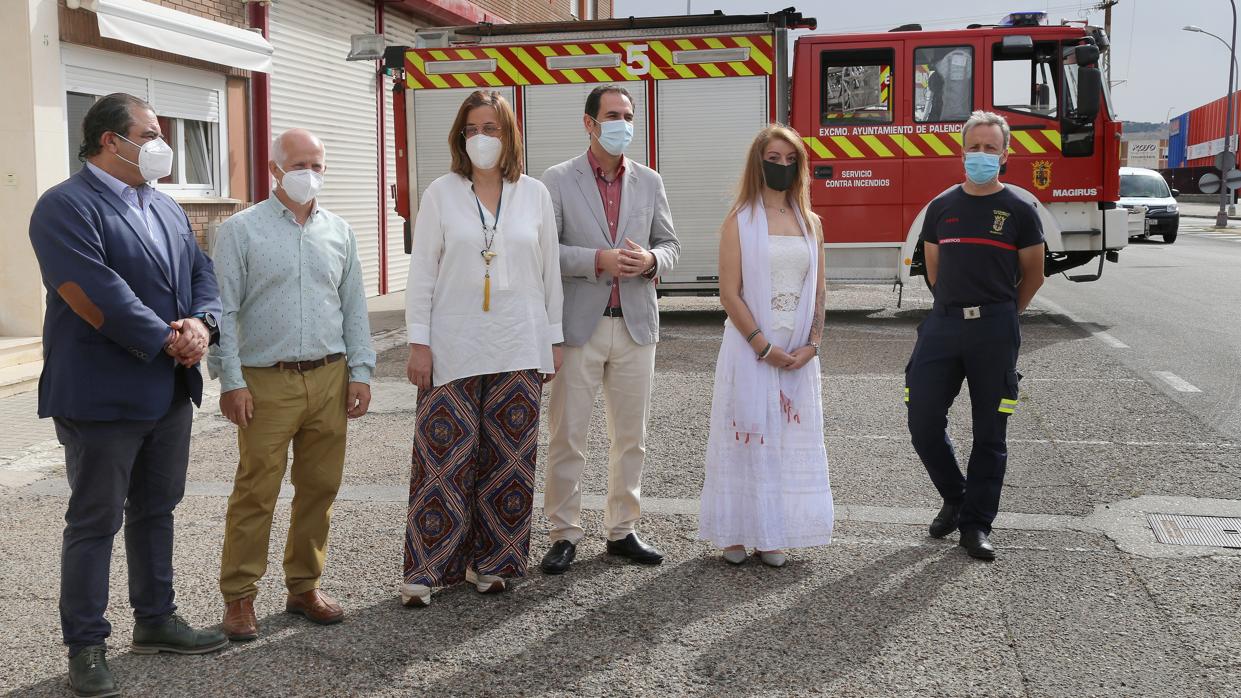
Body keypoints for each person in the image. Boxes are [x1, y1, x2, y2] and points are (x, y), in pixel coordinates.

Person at [27, 92, 227, 697]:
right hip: (101, 396)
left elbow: (201, 272)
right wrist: (168, 340)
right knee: (94, 521)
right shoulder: (64, 207)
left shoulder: (162, 206)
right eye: (152, 131)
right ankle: (86, 645)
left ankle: (156, 619)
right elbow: (94, 292)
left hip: (166, 390)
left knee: (156, 509)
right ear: (112, 140)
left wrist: (202, 325)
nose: (161, 142)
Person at [208, 128, 376, 640]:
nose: (310, 174)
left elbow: (353, 306)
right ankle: (239, 597)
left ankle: (304, 585)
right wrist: (230, 380)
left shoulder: (339, 231)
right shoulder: (241, 231)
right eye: (299, 164)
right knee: (256, 491)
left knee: (319, 488)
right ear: (276, 169)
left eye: (318, 165)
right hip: (266, 381)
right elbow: (225, 310)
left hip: (329, 375)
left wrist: (361, 372)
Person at [401, 90, 563, 606]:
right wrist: (418, 343)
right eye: (472, 129)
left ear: (509, 134)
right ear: (459, 136)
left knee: (509, 461)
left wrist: (552, 340)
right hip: (454, 345)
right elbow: (422, 273)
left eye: (491, 129)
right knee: (443, 460)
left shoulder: (534, 194)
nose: (481, 139)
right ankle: (427, 570)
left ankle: (492, 562)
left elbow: (549, 273)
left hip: (518, 342)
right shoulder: (441, 193)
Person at [538, 85, 680, 575]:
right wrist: (595, 260)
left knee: (631, 437)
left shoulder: (649, 181)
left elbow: (671, 246)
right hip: (581, 326)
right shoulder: (557, 180)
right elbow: (545, 253)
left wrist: (650, 261)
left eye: (628, 115)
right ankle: (564, 533)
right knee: (568, 436)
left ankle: (622, 529)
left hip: (637, 326)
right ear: (589, 123)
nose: (623, 123)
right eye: (613, 115)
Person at [905, 110, 1045, 561]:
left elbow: (1033, 276)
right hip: (943, 325)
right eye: (975, 146)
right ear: (961, 150)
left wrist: (1000, 316)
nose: (981, 154)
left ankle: (977, 524)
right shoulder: (941, 208)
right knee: (922, 420)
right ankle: (957, 495)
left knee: (990, 433)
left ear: (1005, 155)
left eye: (991, 148)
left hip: (995, 329)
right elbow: (933, 270)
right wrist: (957, 310)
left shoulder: (1021, 211)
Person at [698, 124, 833, 567]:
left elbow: (819, 291)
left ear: (800, 166)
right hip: (749, 348)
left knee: (782, 442)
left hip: (797, 353)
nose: (781, 166)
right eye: (772, 159)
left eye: (789, 159)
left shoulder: (809, 222)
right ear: (758, 164)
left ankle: (771, 532)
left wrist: (812, 343)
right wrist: (761, 345)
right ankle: (736, 532)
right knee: (746, 437)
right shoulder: (740, 220)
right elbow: (729, 293)